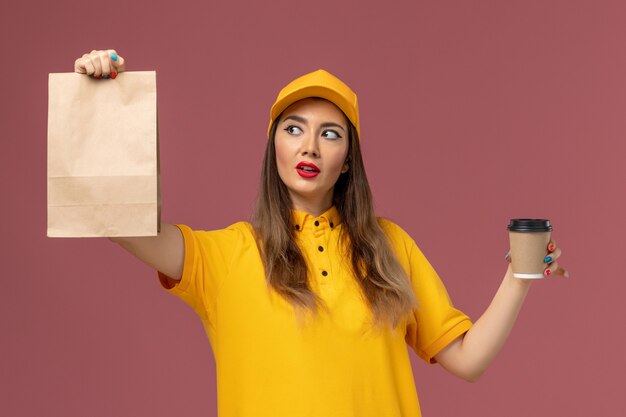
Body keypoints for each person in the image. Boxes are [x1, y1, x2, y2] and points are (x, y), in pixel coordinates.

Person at [74, 49, 568, 417]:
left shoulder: (389, 246)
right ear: (273, 147)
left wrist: (520, 277)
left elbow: (467, 359)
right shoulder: (227, 255)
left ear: (348, 158)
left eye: (330, 133)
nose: (309, 145)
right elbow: (116, 218)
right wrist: (104, 101)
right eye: (293, 129)